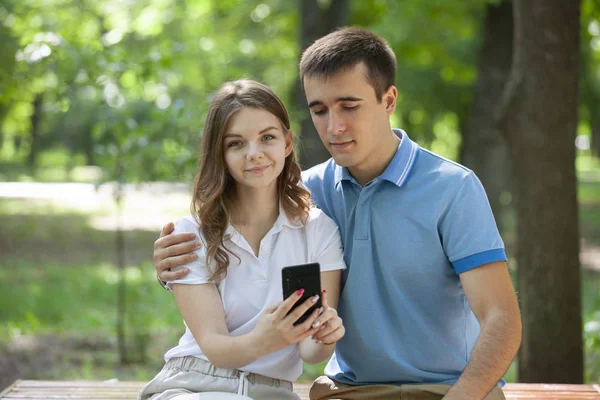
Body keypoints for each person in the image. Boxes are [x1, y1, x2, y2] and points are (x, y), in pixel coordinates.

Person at [153, 28, 522, 400]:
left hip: (448, 389)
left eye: (349, 105)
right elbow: (237, 241)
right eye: (319, 110)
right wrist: (172, 267)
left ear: (389, 99)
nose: (334, 126)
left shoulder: (452, 188)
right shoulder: (304, 196)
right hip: (351, 390)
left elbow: (501, 319)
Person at [140, 80, 347, 400]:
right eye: (236, 143)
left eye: (267, 137)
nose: (254, 154)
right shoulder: (192, 235)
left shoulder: (318, 230)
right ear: (219, 153)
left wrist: (326, 334)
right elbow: (216, 348)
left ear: (288, 143)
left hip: (272, 392)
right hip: (196, 385)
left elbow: (310, 352)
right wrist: (265, 339)